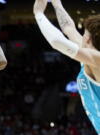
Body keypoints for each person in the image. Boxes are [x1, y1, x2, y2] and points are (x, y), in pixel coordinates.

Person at [33, 0, 100, 134]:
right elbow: (69, 29)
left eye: (85, 34)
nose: (82, 36)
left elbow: (57, 42)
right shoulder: (88, 52)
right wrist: (57, 4)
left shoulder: (97, 59)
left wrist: (38, 13)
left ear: (88, 40)